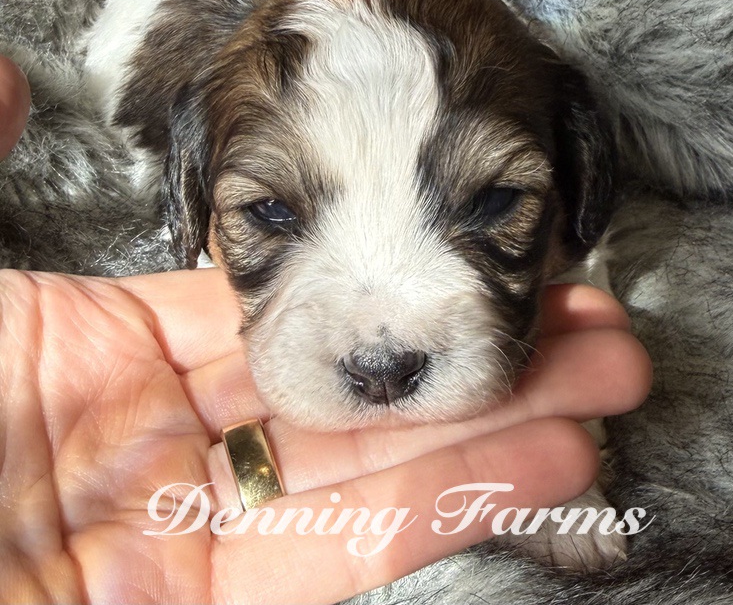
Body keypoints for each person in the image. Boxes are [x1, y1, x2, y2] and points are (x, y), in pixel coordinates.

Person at [0, 55, 651, 604]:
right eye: (271, 211)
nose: (381, 352)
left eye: (492, 202)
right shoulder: (204, 113)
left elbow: (577, 249)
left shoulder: (531, 109)